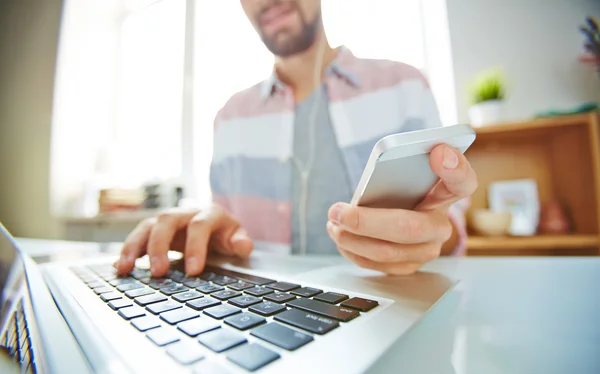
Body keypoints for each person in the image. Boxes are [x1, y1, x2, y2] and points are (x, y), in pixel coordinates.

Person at [116, 0, 478, 278]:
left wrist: (434, 235)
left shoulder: (405, 86)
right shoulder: (230, 118)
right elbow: (226, 234)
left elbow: (446, 223)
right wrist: (204, 235)